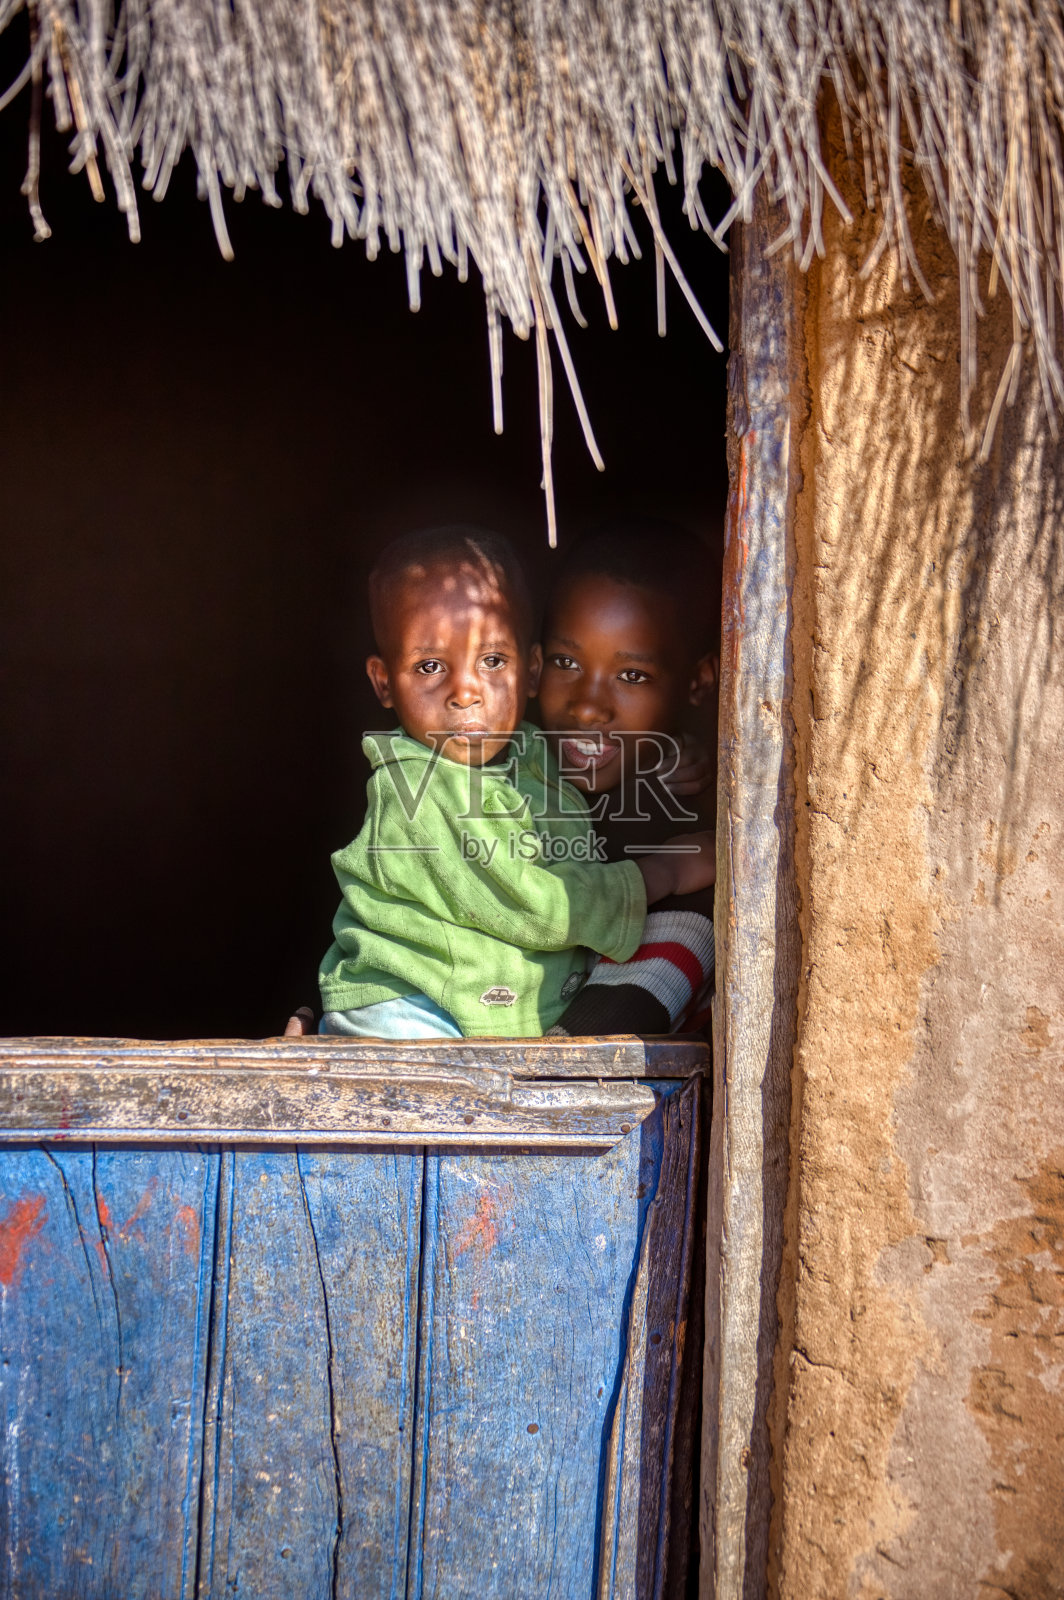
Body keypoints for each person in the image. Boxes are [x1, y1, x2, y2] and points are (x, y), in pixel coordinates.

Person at [315, 525, 714, 1039]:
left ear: (527, 671)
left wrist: (672, 751)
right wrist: (663, 872)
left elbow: (578, 765)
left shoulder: (524, 754)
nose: (465, 692)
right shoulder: (419, 788)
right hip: (413, 1016)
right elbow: (534, 902)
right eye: (430, 666)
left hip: (475, 1013)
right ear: (384, 682)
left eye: (492, 661)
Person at [537, 522, 719, 1035]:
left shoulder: (690, 820)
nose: (589, 706)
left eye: (632, 675)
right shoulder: (492, 780)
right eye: (566, 661)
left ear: (699, 682)